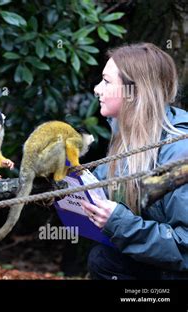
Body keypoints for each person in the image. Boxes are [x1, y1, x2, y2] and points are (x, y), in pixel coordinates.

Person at [80, 42, 188, 280]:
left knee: (105, 260)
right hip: (157, 267)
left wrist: (120, 223)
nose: (97, 89)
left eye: (106, 82)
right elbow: (100, 188)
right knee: (105, 258)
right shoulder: (128, 136)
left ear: (135, 91)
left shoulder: (180, 152)